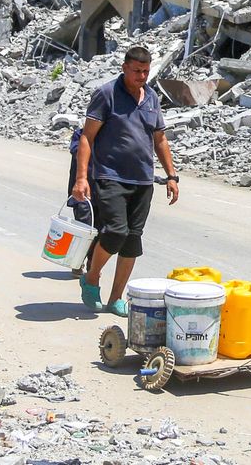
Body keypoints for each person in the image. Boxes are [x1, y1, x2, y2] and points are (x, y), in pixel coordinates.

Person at [69, 46, 179, 317]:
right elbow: (87, 137)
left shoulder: (152, 98)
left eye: (146, 71)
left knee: (132, 239)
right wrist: (81, 178)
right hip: (109, 176)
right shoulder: (106, 94)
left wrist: (172, 176)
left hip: (143, 179)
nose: (142, 76)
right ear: (124, 68)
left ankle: (116, 297)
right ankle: (92, 277)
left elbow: (160, 139)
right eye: (136, 71)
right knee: (116, 231)